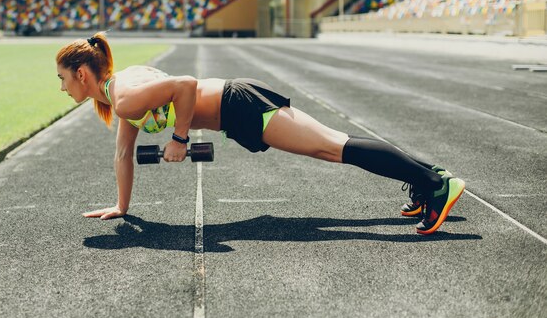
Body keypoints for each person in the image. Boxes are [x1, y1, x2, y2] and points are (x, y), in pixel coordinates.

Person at [55, 32, 465, 235]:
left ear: (81, 74)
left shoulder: (124, 98)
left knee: (332, 147)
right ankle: (431, 179)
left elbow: (186, 83)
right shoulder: (121, 91)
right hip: (237, 108)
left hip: (239, 105)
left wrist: (179, 139)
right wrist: (122, 208)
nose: (62, 88)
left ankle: (433, 184)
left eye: (62, 79)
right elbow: (123, 155)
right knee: (330, 146)